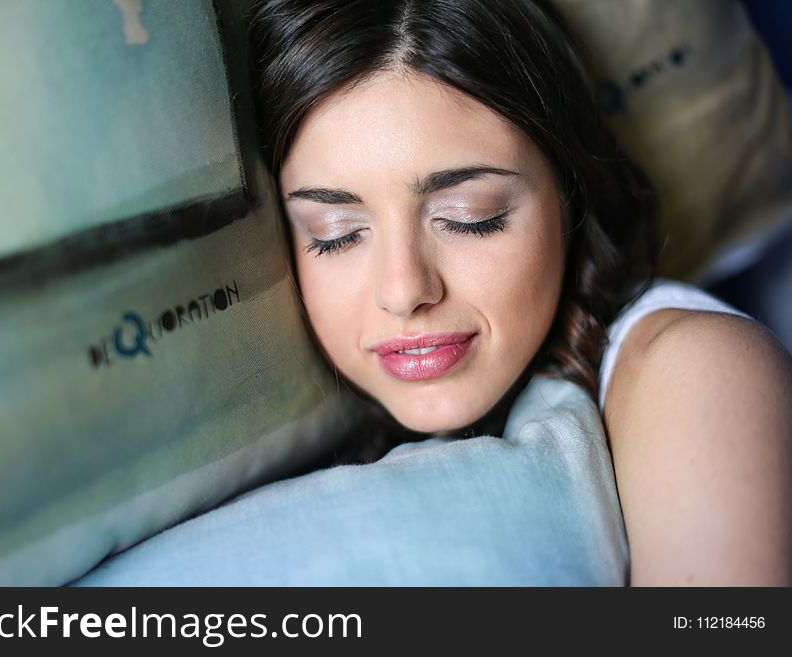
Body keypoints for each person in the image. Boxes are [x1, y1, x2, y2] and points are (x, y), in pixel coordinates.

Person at [247, 0, 792, 585]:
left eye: (469, 217)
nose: (404, 291)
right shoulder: (269, 439)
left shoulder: (695, 370)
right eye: (336, 235)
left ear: (568, 190)